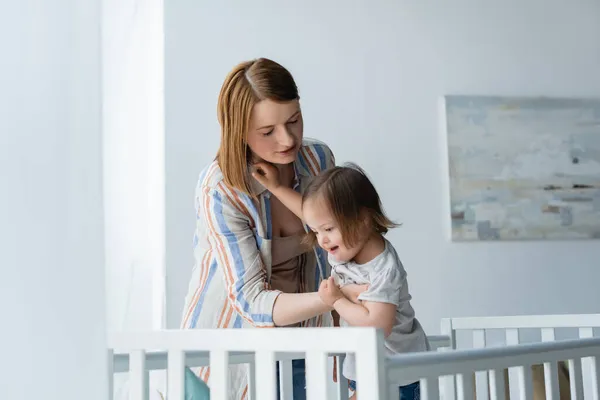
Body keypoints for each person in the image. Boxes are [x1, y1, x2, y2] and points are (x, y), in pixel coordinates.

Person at [180, 57, 366, 400]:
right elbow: (250, 300)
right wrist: (330, 300)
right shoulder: (220, 189)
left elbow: (341, 251)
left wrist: (349, 356)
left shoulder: (318, 161)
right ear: (238, 130)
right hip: (227, 351)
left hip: (302, 344)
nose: (287, 139)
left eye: (294, 121)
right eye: (267, 132)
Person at [252, 162, 430, 400]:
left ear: (363, 220)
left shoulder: (382, 268)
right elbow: (309, 214)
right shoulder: (346, 244)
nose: (322, 240)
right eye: (316, 232)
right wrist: (276, 187)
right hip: (366, 367)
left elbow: (378, 327)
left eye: (327, 229)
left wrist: (336, 300)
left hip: (396, 371)